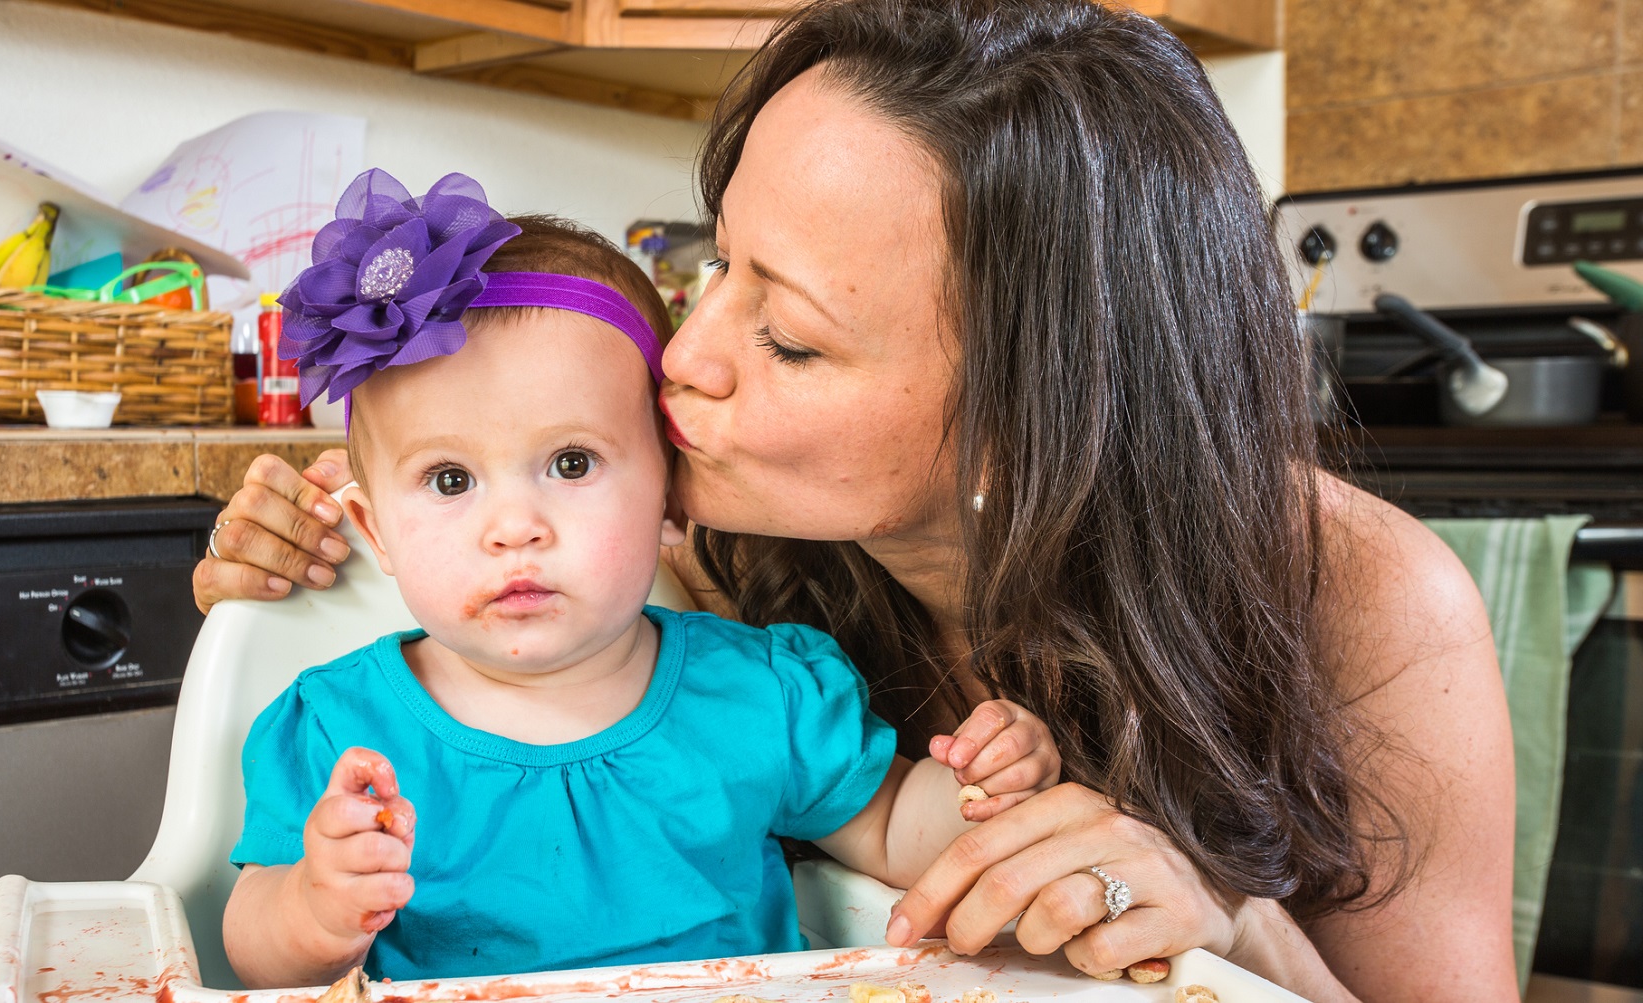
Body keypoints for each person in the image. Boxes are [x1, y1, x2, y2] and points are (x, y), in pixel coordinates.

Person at [195, 2, 1517, 999]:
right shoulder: (710, 548)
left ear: (1032, 410)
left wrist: (1232, 922)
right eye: (716, 265)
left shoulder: (1370, 603)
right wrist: (307, 562)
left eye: (792, 339)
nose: (686, 352)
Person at [219, 176, 1063, 989]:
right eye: (450, 480)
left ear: (671, 492)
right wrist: (312, 907)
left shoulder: (761, 692)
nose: (515, 525)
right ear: (375, 531)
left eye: (571, 462)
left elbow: (890, 831)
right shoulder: (338, 726)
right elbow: (249, 948)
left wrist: (981, 794)